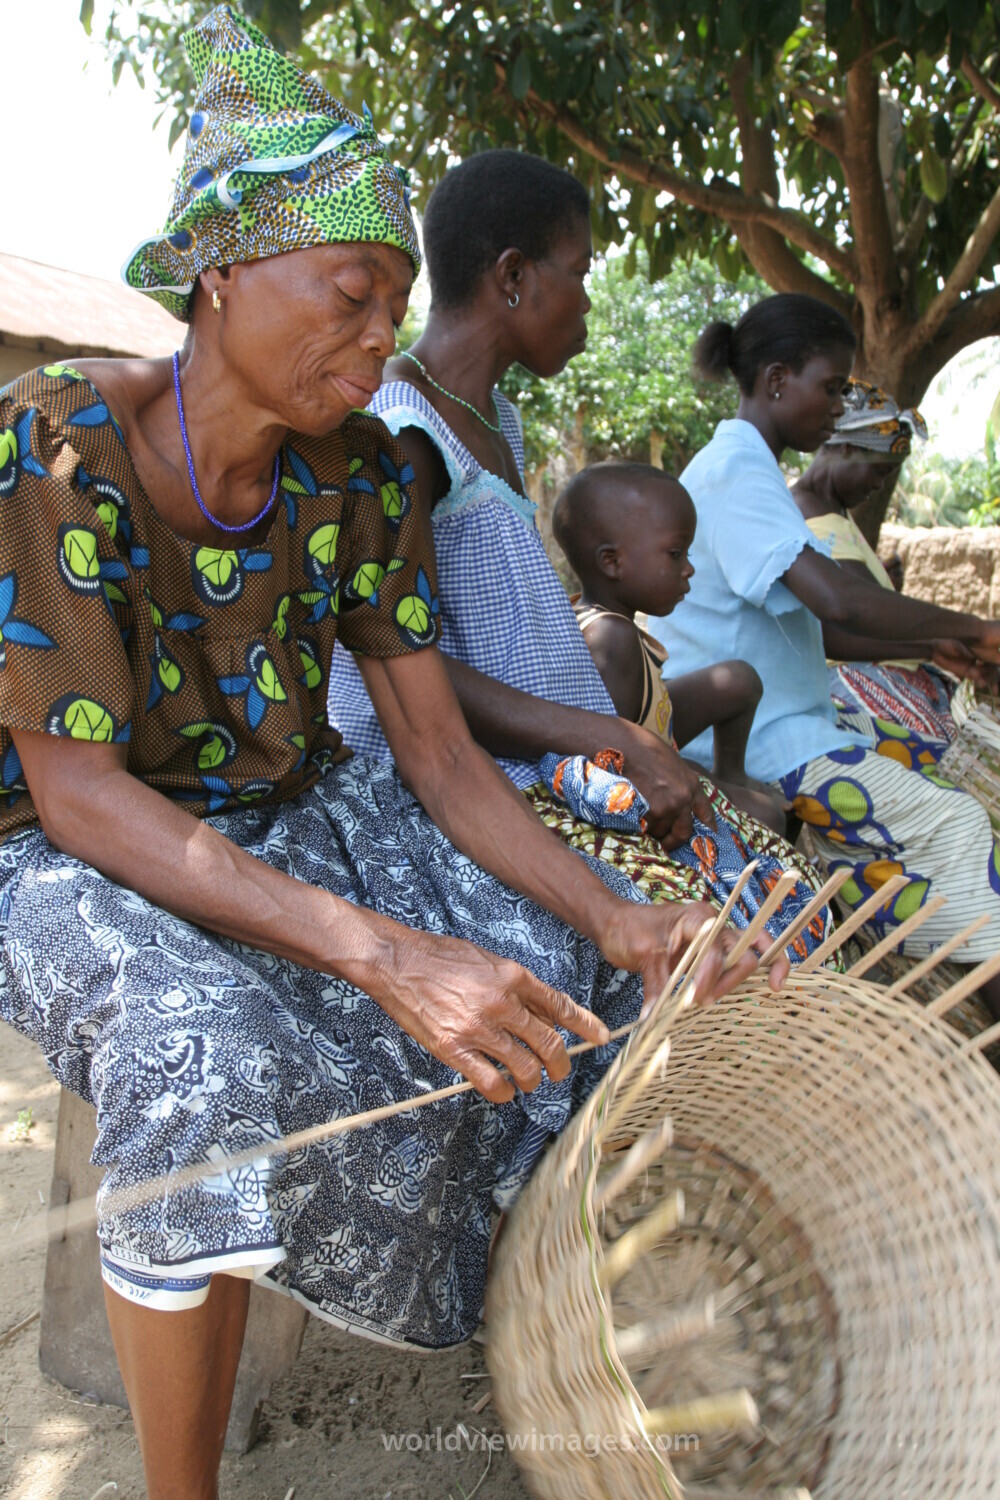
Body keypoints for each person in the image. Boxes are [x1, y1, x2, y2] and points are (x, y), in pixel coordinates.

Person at [0, 14, 774, 1498]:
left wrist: (618, 914)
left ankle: (553, 1330)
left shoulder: (358, 474)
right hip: (66, 849)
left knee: (585, 962)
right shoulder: (61, 446)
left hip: (297, 812)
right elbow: (81, 796)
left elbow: (437, 753)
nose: (378, 340)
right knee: (200, 1059)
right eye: (351, 296)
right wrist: (384, 954)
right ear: (221, 273)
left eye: (392, 307)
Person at [328, 149, 831, 957]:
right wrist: (619, 740)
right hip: (468, 790)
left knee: (782, 890)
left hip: (551, 766)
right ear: (514, 277)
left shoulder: (497, 421)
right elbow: (399, 669)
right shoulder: (405, 431)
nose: (589, 300)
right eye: (582, 270)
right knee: (737, 941)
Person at [645, 292, 1000, 1013]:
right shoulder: (739, 477)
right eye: (832, 387)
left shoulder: (749, 471)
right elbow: (838, 601)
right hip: (761, 742)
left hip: (790, 720)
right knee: (959, 824)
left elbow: (826, 630)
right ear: (777, 381)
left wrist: (935, 640)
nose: (840, 408)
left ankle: (905, 951)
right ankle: (974, 1006)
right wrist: (974, 626)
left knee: (928, 754)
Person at [551, 459, 787, 833]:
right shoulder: (612, 637)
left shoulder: (604, 616)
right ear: (612, 562)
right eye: (676, 554)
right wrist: (688, 775)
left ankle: (731, 773)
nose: (689, 568)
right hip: (641, 777)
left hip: (655, 734)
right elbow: (617, 764)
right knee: (770, 816)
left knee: (738, 680)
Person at [791, 377, 987, 741]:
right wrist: (935, 643)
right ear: (846, 447)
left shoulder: (832, 514)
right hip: (856, 682)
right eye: (879, 470)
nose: (880, 485)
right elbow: (843, 628)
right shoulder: (812, 518)